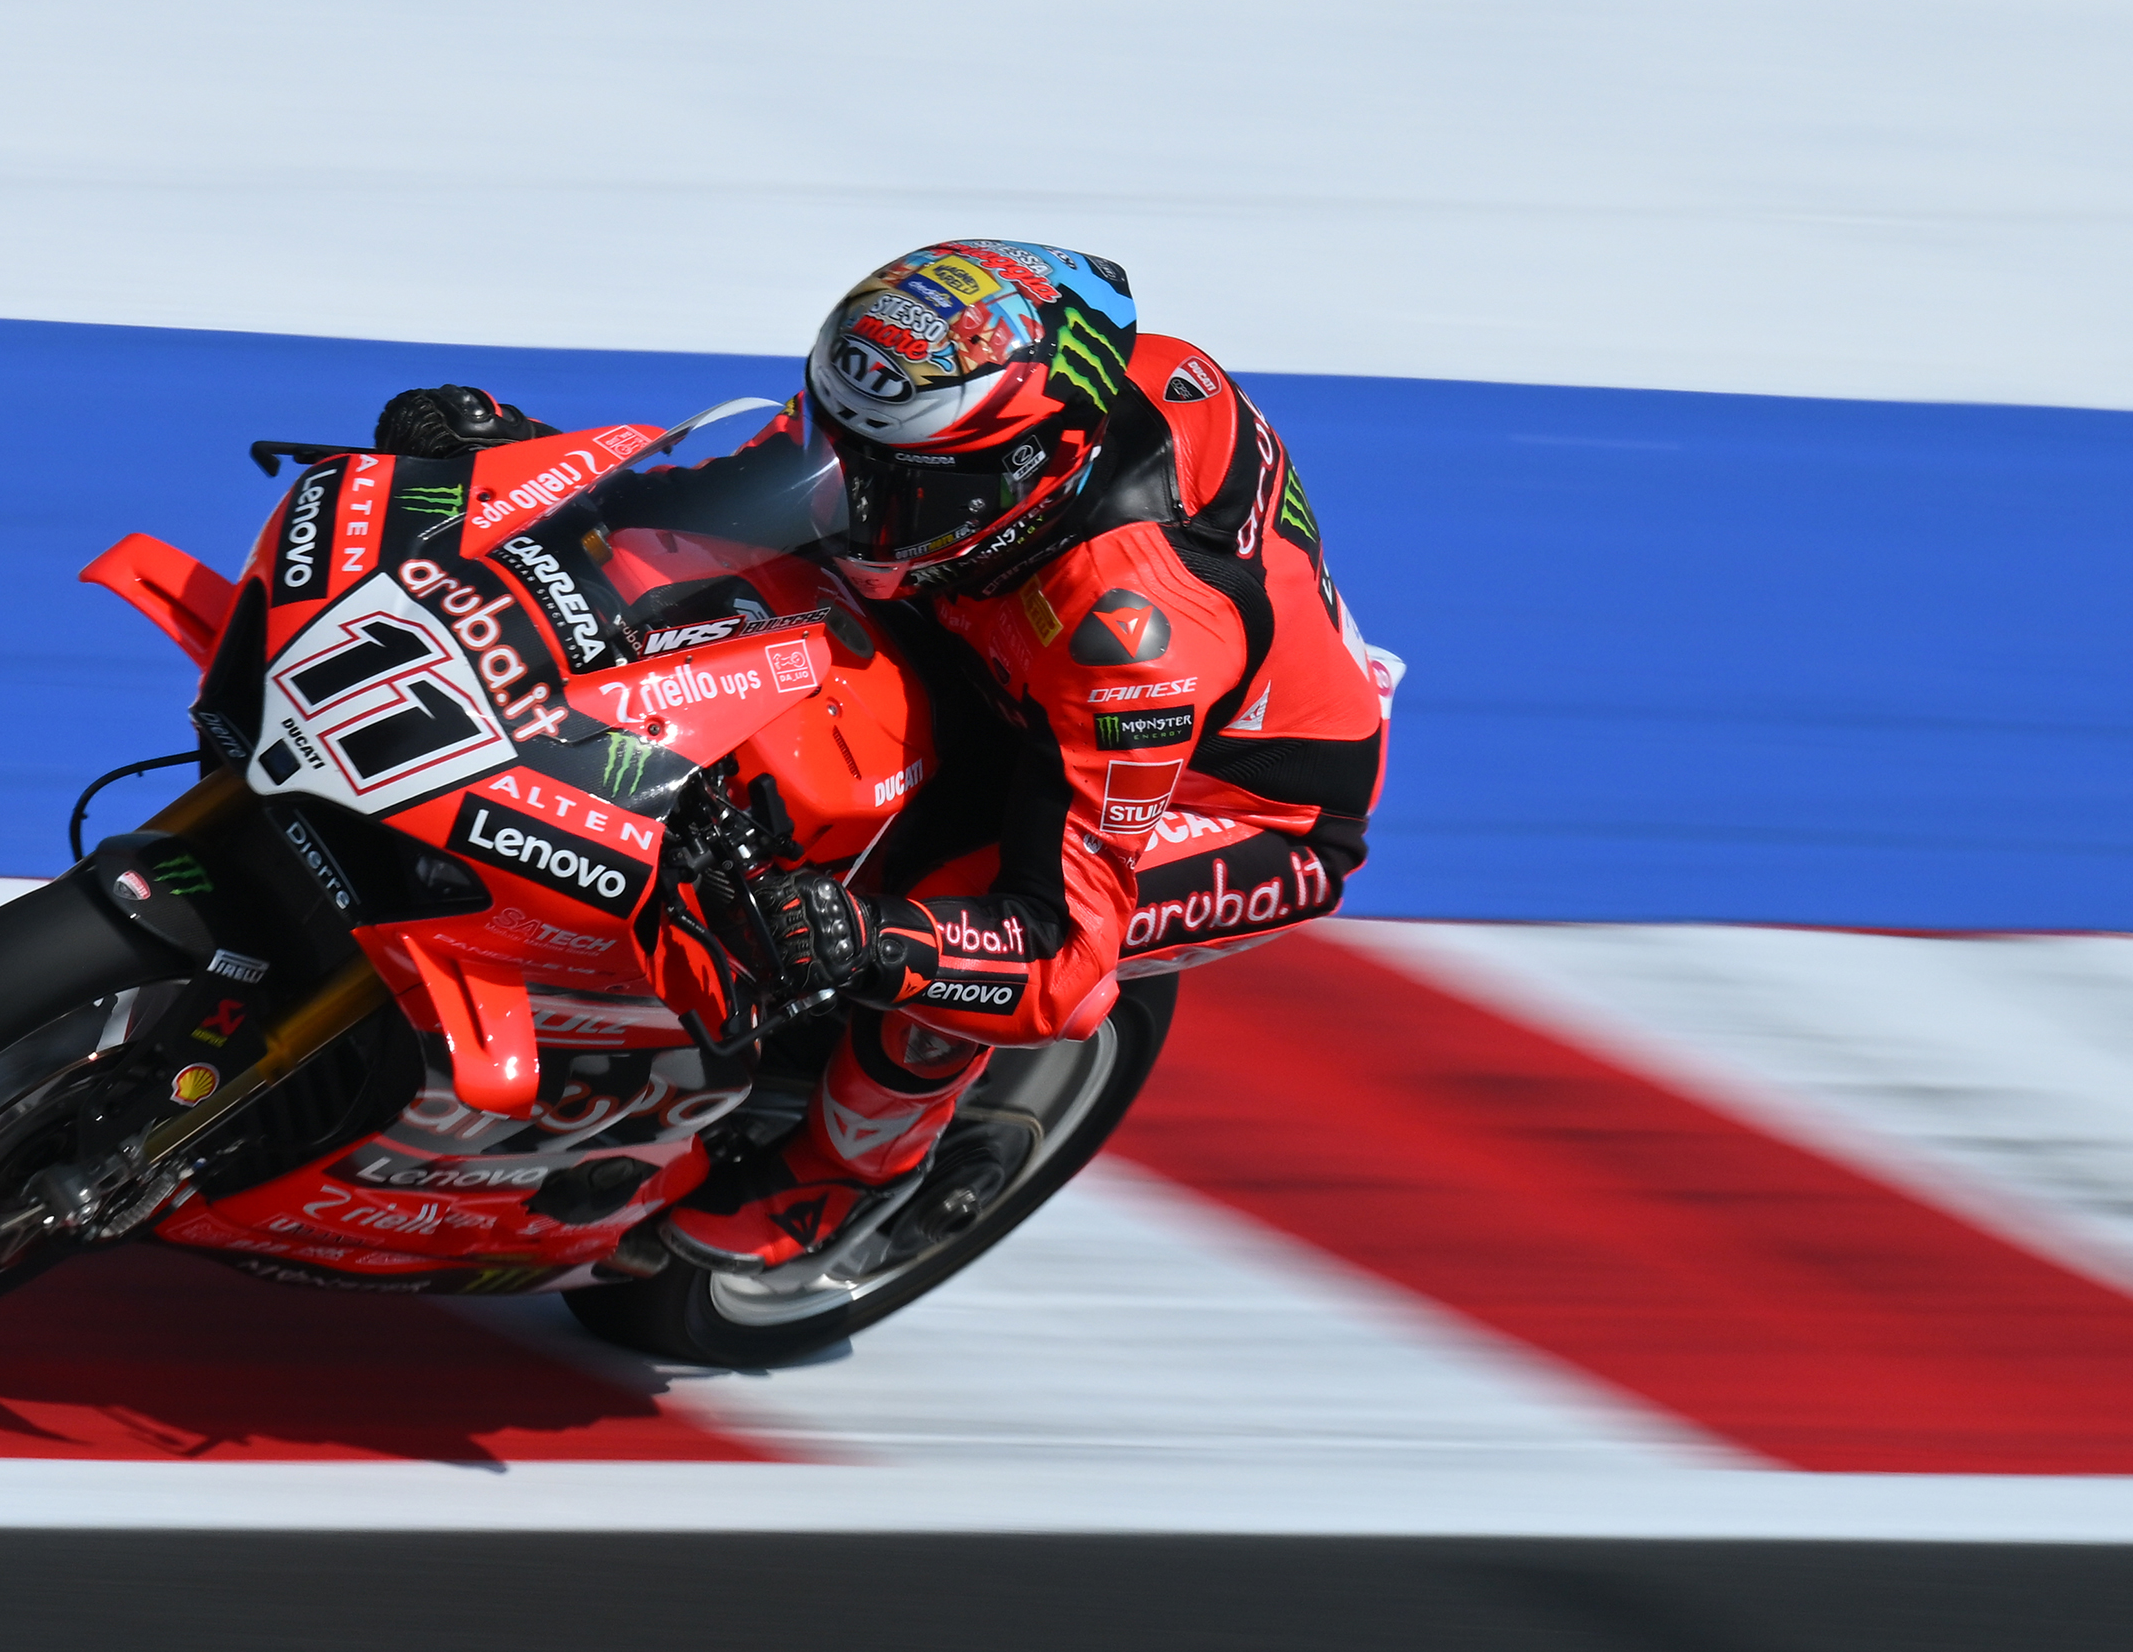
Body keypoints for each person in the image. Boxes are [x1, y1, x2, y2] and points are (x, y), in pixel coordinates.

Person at [373, 241, 1396, 1274]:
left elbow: (1058, 957)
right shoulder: (962, 413)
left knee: (956, 907)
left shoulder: (1131, 640)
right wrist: (520, 478)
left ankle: (850, 1177)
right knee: (739, 620)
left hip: (1232, 805)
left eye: (899, 486)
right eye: (838, 441)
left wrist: (868, 939)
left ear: (1028, 472)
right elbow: (740, 499)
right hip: (1007, 659)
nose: (849, 497)